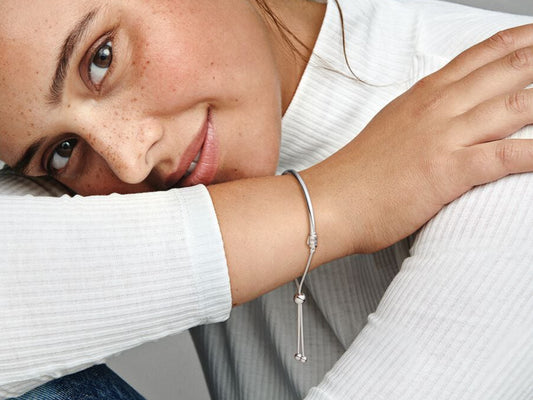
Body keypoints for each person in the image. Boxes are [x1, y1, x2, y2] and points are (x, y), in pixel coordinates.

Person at [0, 0, 532, 399]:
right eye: (63, 151)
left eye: (101, 58)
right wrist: (334, 202)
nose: (129, 163)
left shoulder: (503, 146)